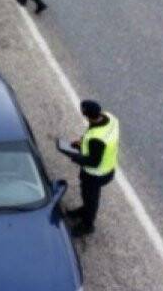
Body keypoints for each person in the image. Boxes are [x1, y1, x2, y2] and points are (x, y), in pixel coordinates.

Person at [57, 100, 119, 237]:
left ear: (87, 115)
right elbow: (93, 133)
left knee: (91, 198)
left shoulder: (96, 139)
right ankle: (84, 210)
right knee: (89, 198)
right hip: (109, 167)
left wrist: (74, 156)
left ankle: (87, 225)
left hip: (96, 174)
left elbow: (93, 161)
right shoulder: (110, 118)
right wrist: (81, 143)